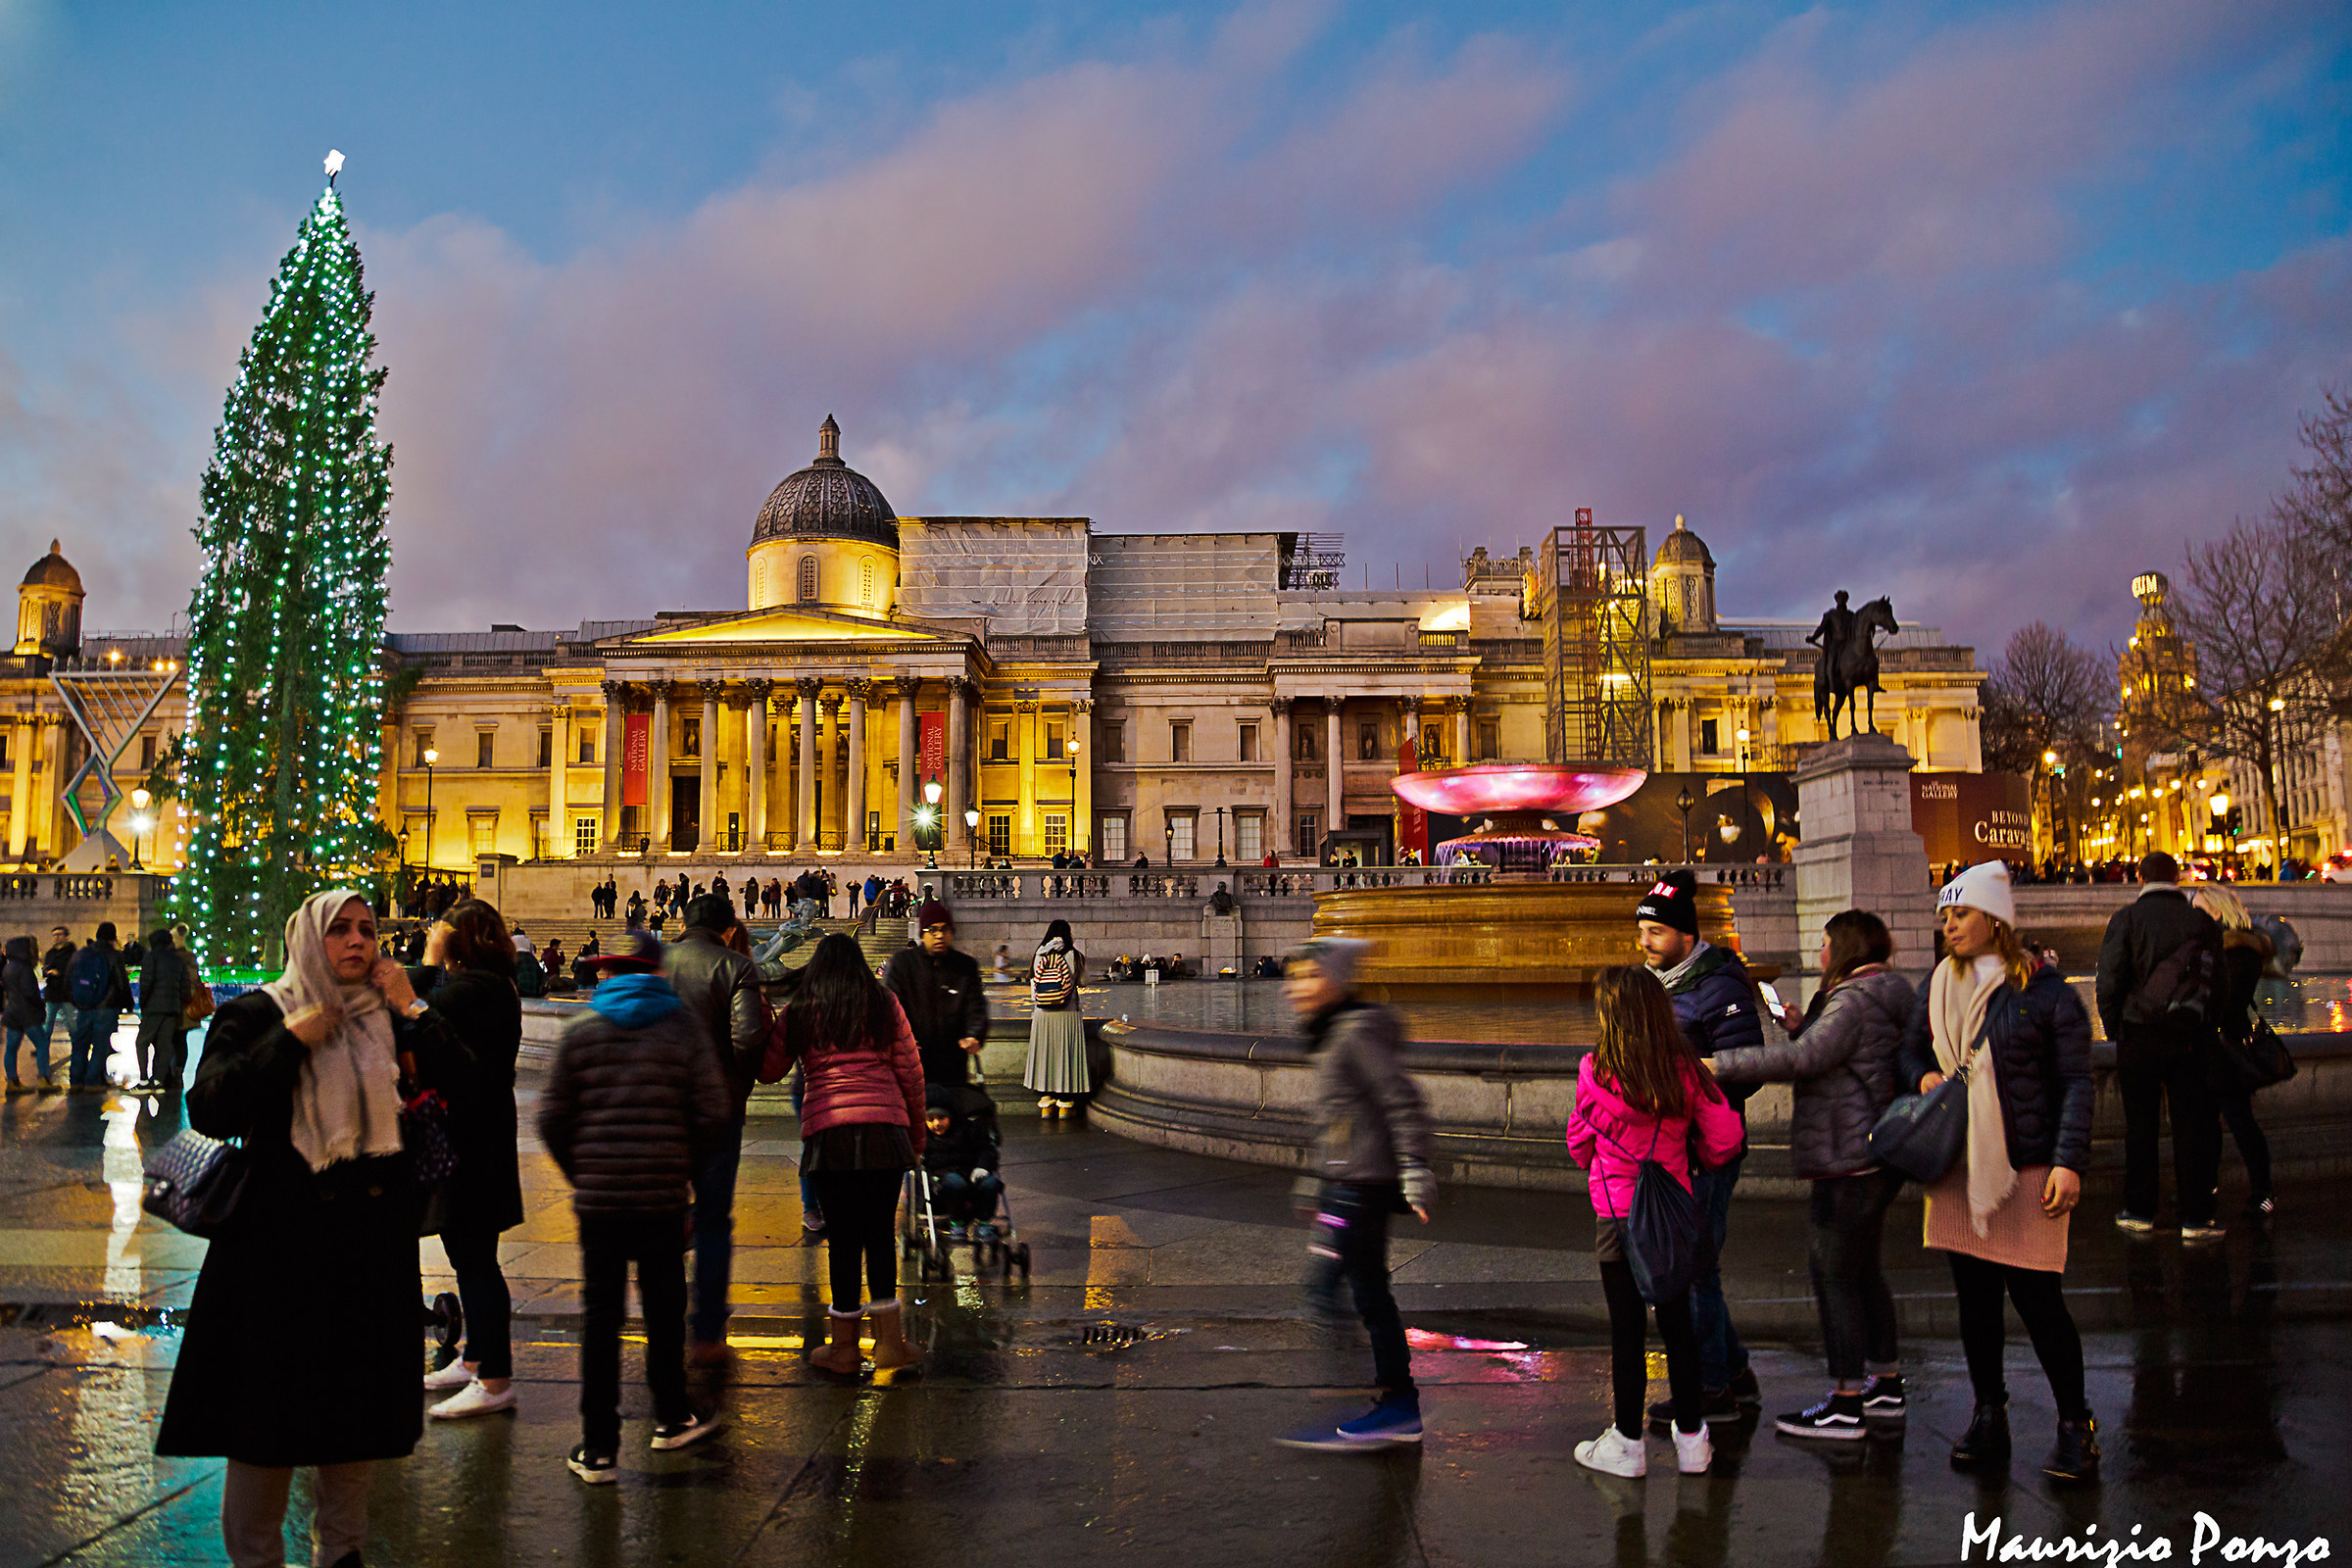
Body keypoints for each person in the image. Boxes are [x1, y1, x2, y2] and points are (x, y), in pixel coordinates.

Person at [155, 890, 471, 1566]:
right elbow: (210, 1106)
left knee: (354, 1426)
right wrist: (291, 1039)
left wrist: (413, 1008)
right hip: (275, 1258)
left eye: (367, 930)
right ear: (307, 938)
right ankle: (256, 1557)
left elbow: (470, 1087)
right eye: (341, 930)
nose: (358, 941)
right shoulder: (259, 1012)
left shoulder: (389, 1017)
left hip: (369, 1255)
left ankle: (342, 1554)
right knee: (264, 1427)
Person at [1898, 860, 2098, 1483]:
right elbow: (1908, 1051)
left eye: (1961, 914)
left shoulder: (2046, 991)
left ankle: (2075, 1424)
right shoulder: (1937, 984)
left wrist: (2067, 1161)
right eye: (1945, 916)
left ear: (1995, 919)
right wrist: (1922, 1076)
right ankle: (1989, 1413)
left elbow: (2076, 1081)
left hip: (2025, 1165)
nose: (1949, 925)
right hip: (1959, 1165)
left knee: (2040, 1302)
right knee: (1976, 1302)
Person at [1706, 910, 1914, 1440]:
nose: (1820, 953)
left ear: (1844, 947)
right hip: (1875, 1151)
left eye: (1825, 943)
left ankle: (1845, 1402)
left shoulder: (1852, 1000)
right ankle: (1886, 1383)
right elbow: (1842, 1053)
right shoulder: (1889, 992)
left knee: (1833, 1276)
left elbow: (1803, 1060)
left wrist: (1719, 1064)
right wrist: (1804, 1026)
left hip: (1847, 1157)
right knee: (1865, 1271)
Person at [538, 929, 730, 1483]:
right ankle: (671, 1416)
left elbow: (551, 1118)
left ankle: (598, 1448)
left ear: (610, 974)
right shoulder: (683, 1029)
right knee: (664, 1312)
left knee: (601, 1319)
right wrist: (683, 1168)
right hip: (662, 1197)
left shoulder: (581, 1031)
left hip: (599, 1201)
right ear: (658, 972)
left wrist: (584, 1173)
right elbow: (714, 1113)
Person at [1565, 964, 1743, 1477]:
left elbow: (1579, 1143)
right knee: (1678, 1326)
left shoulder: (1595, 1072)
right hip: (1672, 1213)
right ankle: (1693, 1443)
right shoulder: (1684, 1071)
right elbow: (1725, 1138)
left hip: (1617, 1214)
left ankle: (1626, 1443)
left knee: (1627, 1331)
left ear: (1612, 1016)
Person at [1273, 938, 1434, 1451]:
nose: (1297, 987)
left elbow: (1402, 1101)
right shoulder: (1331, 1032)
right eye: (1294, 978)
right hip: (1344, 1182)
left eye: (1310, 976)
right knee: (1360, 1291)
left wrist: (1415, 1170)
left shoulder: (1354, 1033)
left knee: (1334, 1290)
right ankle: (1391, 1399)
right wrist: (1313, 1180)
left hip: (1361, 1186)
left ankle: (1387, 1397)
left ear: (1337, 981)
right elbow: (1334, 1120)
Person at [1632, 869, 1762, 1421]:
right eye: (1642, 930)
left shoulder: (1719, 985)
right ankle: (1734, 1372)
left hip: (1707, 1148)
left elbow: (1748, 1068)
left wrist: (1681, 1074)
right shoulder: (1659, 982)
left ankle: (1712, 1391)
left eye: (1655, 932)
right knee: (1696, 1265)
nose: (1644, 941)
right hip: (1675, 1147)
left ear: (1686, 936)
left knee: (1694, 1271)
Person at [767, 933, 927, 1378]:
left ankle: (843, 1349)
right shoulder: (883, 1002)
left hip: (829, 1133)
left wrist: (766, 1013)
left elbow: (769, 1069)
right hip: (884, 1132)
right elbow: (911, 1072)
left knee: (842, 1240)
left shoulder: (802, 1007)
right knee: (879, 1235)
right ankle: (889, 1344)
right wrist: (916, 1139)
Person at [416, 900, 527, 1422]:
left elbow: (415, 1010)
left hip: (472, 1137)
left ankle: (495, 1378)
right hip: (484, 1131)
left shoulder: (474, 989)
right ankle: (477, 1358)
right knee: (470, 1255)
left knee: (476, 1259)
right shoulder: (495, 985)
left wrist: (428, 958)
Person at [2094, 851, 2225, 1241]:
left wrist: (2115, 1028)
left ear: (2140, 878)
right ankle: (2196, 1216)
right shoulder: (2201, 921)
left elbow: (2109, 980)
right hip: (2189, 1037)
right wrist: (2207, 1026)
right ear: (2178, 877)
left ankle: (2139, 1210)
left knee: (2140, 1126)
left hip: (2139, 1035)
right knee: (2191, 1126)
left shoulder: (2127, 919)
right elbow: (2220, 981)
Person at [663, 892, 769, 1362]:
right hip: (717, 1111)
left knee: (663, 1217)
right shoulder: (736, 966)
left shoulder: (656, 963)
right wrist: (734, 1087)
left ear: (683, 923)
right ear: (729, 930)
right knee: (712, 1219)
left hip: (663, 1108)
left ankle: (664, 1321)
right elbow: (747, 1039)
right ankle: (707, 1332)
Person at [2189, 884, 2276, 1217]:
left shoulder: (2237, 950)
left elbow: (2228, 1000)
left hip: (2226, 1046)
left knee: (2240, 1119)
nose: (2193, 915)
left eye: (2198, 908)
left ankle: (2263, 1191)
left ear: (2217, 911)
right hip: (2212, 1043)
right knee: (2206, 1120)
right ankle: (2206, 1185)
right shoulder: (2221, 946)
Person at [881, 902, 989, 1089]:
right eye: (933, 930)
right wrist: (903, 1039)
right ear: (922, 934)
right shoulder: (903, 964)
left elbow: (976, 1007)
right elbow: (891, 1008)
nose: (939, 935)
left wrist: (974, 1035)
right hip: (912, 1061)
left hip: (953, 1063)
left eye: (945, 929)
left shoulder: (965, 966)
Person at [1023, 920, 1087, 1116]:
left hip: (1042, 1014)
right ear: (1068, 934)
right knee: (1066, 1057)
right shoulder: (1074, 955)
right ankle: (1065, 1105)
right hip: (1068, 1013)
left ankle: (1046, 1103)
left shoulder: (1039, 954)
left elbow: (1033, 986)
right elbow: (1083, 982)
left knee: (1045, 1057)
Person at [922, 1088, 1003, 1237]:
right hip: (941, 1182)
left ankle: (984, 1224)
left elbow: (986, 1149)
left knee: (991, 1183)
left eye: (941, 1118)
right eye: (931, 1120)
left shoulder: (967, 1129)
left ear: (950, 1117)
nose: (936, 1123)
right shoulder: (925, 1137)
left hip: (971, 1174)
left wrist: (982, 1167)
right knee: (954, 1182)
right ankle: (957, 1224)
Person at [66, 921, 131, 1092]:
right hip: (106, 1007)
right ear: (112, 937)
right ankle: (92, 1081)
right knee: (100, 1045)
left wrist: (76, 1001)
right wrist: (128, 1003)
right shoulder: (114, 955)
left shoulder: (82, 953)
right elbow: (121, 982)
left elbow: (69, 978)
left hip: (84, 1006)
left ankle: (76, 1081)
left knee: (80, 1044)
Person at [132, 927, 185, 1092]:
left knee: (142, 1042)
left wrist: (143, 1004)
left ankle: (143, 1081)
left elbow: (146, 984)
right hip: (172, 1008)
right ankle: (159, 1081)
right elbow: (184, 987)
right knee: (164, 1044)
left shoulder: (151, 958)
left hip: (153, 1007)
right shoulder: (177, 960)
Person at [3, 936, 50, 1091]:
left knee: (11, 1048)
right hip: (28, 1014)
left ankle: (12, 1082)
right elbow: (30, 993)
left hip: (12, 1012)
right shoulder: (25, 968)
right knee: (42, 1044)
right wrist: (40, 1006)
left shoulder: (8, 967)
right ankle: (44, 1080)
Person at [39, 925, 74, 1076]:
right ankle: (43, 1054)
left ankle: (77, 1052)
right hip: (52, 994)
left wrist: (59, 973)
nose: (57, 937)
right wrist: (48, 971)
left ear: (66, 936)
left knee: (71, 1025)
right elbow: (46, 968)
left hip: (66, 994)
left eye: (60, 934)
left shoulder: (72, 952)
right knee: (47, 1026)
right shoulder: (50, 953)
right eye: (55, 935)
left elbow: (73, 970)